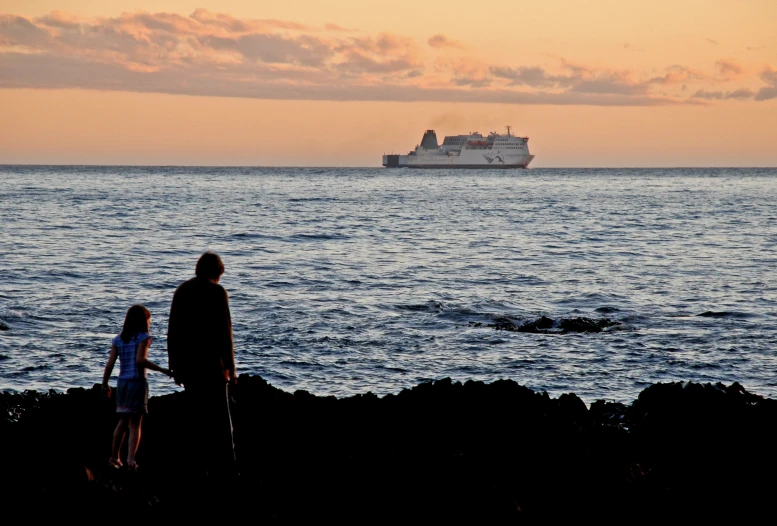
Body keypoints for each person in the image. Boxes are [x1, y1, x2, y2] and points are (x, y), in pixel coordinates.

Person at [167, 251, 238, 479]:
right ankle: (226, 468)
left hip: (188, 365)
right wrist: (231, 368)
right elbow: (224, 334)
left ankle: (195, 467)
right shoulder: (217, 292)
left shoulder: (182, 290)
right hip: (211, 365)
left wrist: (174, 365)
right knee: (220, 420)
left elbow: (173, 332)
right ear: (218, 271)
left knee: (195, 417)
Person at [101, 304, 172, 471]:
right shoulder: (144, 337)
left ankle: (114, 457)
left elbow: (110, 363)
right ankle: (131, 460)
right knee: (135, 424)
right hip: (137, 383)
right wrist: (162, 369)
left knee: (122, 421)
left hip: (122, 383)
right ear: (144, 321)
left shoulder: (118, 339)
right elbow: (140, 360)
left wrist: (104, 383)